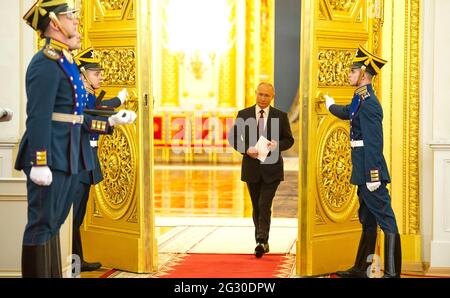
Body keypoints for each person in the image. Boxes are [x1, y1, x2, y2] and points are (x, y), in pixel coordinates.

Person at [16, 0, 135, 278]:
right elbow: (38, 116)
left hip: (68, 154)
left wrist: (110, 121)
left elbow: (76, 116)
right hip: (51, 156)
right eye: (70, 17)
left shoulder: (65, 61)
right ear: (54, 23)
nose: (76, 21)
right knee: (41, 225)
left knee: (54, 225)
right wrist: (39, 161)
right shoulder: (45, 63)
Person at [324, 45, 401, 278]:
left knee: (386, 221)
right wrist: (330, 106)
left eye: (352, 71)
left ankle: (392, 273)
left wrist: (374, 176)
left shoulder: (369, 103)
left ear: (364, 75)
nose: (348, 75)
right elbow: (349, 111)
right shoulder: (360, 99)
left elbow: (374, 143)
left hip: (370, 173)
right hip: (363, 171)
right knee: (367, 220)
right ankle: (362, 269)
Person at [71, 47, 131, 272]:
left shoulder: (89, 94)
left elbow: (97, 108)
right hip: (77, 158)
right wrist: (113, 119)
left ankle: (76, 262)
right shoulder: (77, 96)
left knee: (78, 214)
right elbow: (88, 119)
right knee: (74, 218)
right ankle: (73, 264)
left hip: (87, 157)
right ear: (83, 74)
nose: (101, 76)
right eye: (96, 73)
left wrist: (116, 103)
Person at [228, 82, 294, 258]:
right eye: (261, 94)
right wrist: (246, 148)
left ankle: (261, 239)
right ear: (255, 93)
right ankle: (262, 241)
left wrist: (277, 145)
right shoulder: (244, 114)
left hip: (272, 168)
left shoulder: (280, 116)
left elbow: (289, 140)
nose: (263, 98)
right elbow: (234, 137)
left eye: (267, 96)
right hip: (252, 168)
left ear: (272, 97)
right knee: (257, 205)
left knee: (264, 204)